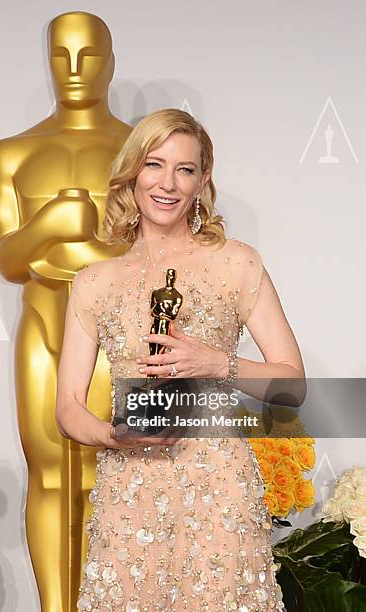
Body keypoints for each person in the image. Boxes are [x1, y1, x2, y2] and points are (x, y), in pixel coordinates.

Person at [56, 109, 305, 611]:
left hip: (218, 487)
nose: (167, 183)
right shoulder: (95, 281)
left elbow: (293, 386)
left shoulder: (237, 262)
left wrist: (217, 363)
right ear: (133, 173)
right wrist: (112, 435)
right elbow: (67, 407)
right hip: (128, 491)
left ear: (203, 180)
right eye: (154, 164)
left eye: (185, 169)